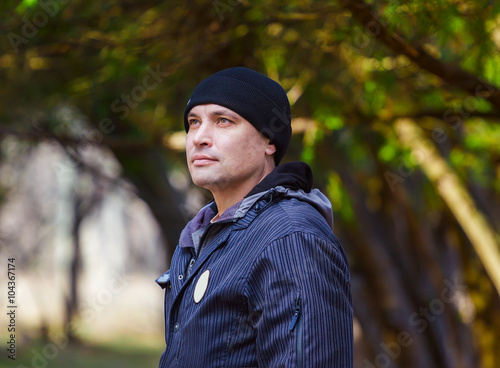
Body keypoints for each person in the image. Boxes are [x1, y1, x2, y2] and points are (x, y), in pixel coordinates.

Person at [156, 67, 353, 367]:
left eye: (223, 121)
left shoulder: (290, 236)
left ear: (269, 141)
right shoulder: (197, 239)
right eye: (193, 122)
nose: (199, 137)